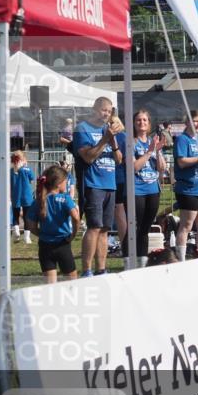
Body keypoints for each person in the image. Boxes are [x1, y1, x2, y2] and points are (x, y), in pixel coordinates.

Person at [73, 97, 123, 276]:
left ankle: (101, 269)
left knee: (105, 230)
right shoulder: (82, 129)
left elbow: (119, 160)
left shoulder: (107, 129)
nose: (106, 114)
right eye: (103, 110)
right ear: (95, 109)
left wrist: (113, 141)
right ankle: (86, 269)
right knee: (94, 227)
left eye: (109, 111)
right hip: (93, 184)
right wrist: (104, 139)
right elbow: (88, 157)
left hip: (110, 184)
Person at [115, 110, 165, 267]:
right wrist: (149, 151)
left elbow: (161, 168)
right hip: (136, 190)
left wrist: (157, 151)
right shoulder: (131, 142)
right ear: (134, 123)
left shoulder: (153, 141)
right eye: (138, 120)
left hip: (153, 189)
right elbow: (134, 167)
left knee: (145, 229)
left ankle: (142, 263)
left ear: (149, 123)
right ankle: (128, 262)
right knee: (133, 227)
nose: (141, 122)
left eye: (144, 120)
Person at [24, 165, 80, 283]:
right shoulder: (65, 199)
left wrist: (40, 233)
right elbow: (76, 217)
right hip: (62, 244)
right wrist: (74, 233)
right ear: (59, 183)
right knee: (73, 284)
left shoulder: (39, 200)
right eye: (66, 181)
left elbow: (29, 223)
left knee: (50, 287)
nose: (67, 184)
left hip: (45, 246)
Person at [173, 110, 198, 261]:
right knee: (187, 224)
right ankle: (181, 258)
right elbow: (182, 162)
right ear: (187, 123)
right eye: (195, 121)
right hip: (188, 189)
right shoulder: (182, 139)